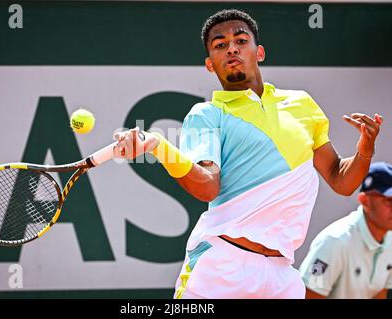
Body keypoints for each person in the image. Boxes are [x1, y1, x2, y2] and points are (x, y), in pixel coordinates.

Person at [112, 9, 383, 298]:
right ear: (209, 64)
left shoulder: (302, 104)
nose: (231, 48)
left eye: (241, 41)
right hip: (221, 267)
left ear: (259, 52)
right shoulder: (207, 114)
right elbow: (207, 186)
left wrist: (365, 149)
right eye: (219, 45)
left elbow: (340, 180)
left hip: (282, 273)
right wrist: (158, 145)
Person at [300, 162, 392, 299]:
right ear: (364, 201)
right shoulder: (334, 241)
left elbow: (380, 294)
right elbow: (308, 295)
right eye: (389, 200)